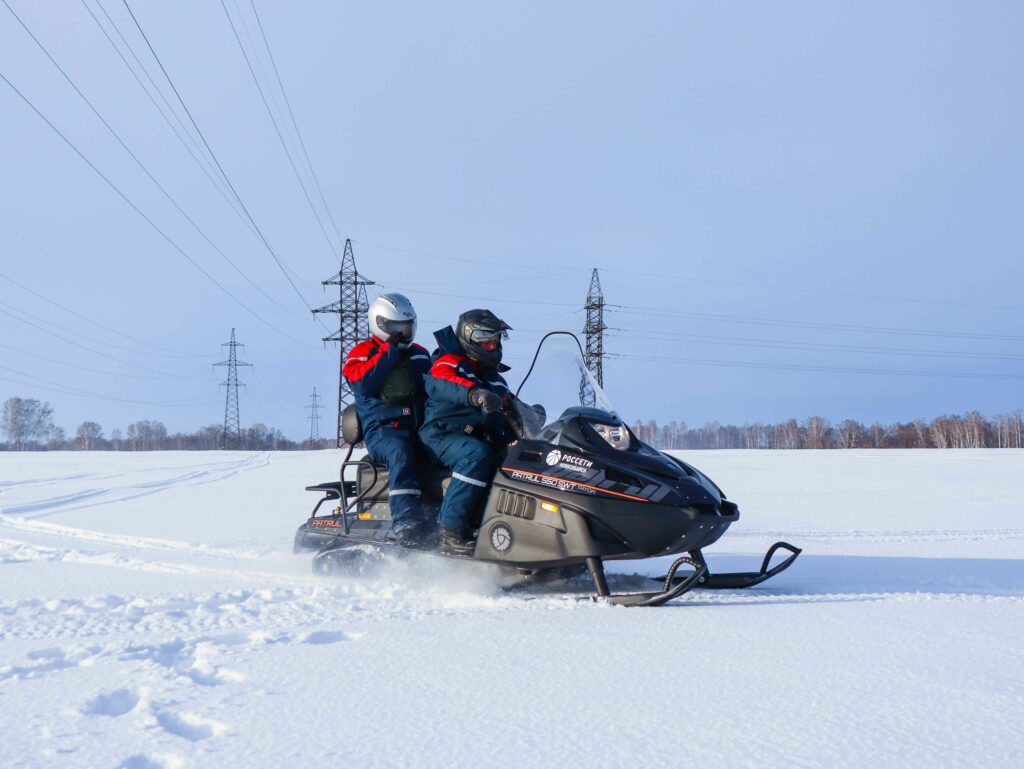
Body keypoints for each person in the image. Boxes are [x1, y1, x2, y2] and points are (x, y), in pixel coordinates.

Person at [420, 309, 516, 555]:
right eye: (487, 340)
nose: (493, 346)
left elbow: (508, 403)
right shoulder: (448, 362)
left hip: (472, 434)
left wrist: (528, 415)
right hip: (442, 435)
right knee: (477, 455)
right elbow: (444, 383)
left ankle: (507, 529)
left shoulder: (492, 377)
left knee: (516, 457)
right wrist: (474, 394)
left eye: (496, 340)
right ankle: (450, 531)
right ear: (469, 338)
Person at [342, 293, 433, 546]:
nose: (404, 332)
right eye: (396, 328)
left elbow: (437, 387)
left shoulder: (420, 354)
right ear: (380, 324)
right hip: (383, 433)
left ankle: (448, 519)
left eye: (407, 326)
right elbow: (362, 382)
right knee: (401, 453)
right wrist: (389, 351)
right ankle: (406, 522)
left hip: (419, 428)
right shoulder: (361, 354)